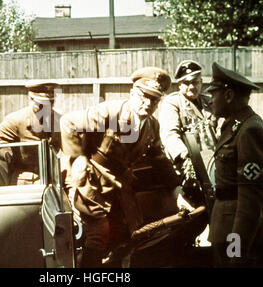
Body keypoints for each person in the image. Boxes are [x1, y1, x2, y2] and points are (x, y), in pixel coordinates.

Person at [60, 67, 180, 267]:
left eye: (155, 99)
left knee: (126, 235)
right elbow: (68, 122)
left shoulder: (151, 126)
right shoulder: (110, 112)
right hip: (90, 181)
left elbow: (159, 159)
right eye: (144, 96)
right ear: (132, 93)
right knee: (99, 232)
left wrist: (177, 189)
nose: (149, 103)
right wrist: (77, 158)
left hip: (117, 185)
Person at [206, 62, 263, 267]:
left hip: (241, 236)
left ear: (229, 95)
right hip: (228, 230)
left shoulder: (249, 130)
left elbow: (250, 199)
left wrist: (237, 250)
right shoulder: (234, 125)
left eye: (214, 95)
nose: (211, 100)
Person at [0, 82, 61, 187]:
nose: (46, 109)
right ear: (31, 100)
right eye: (41, 105)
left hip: (52, 181)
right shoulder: (17, 121)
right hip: (25, 181)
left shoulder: (59, 121)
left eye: (50, 103)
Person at [158, 60, 218, 206]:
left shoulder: (210, 102)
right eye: (186, 83)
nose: (192, 87)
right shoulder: (172, 103)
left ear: (201, 82)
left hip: (212, 167)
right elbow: (170, 135)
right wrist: (186, 158)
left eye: (196, 82)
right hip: (186, 168)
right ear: (179, 85)